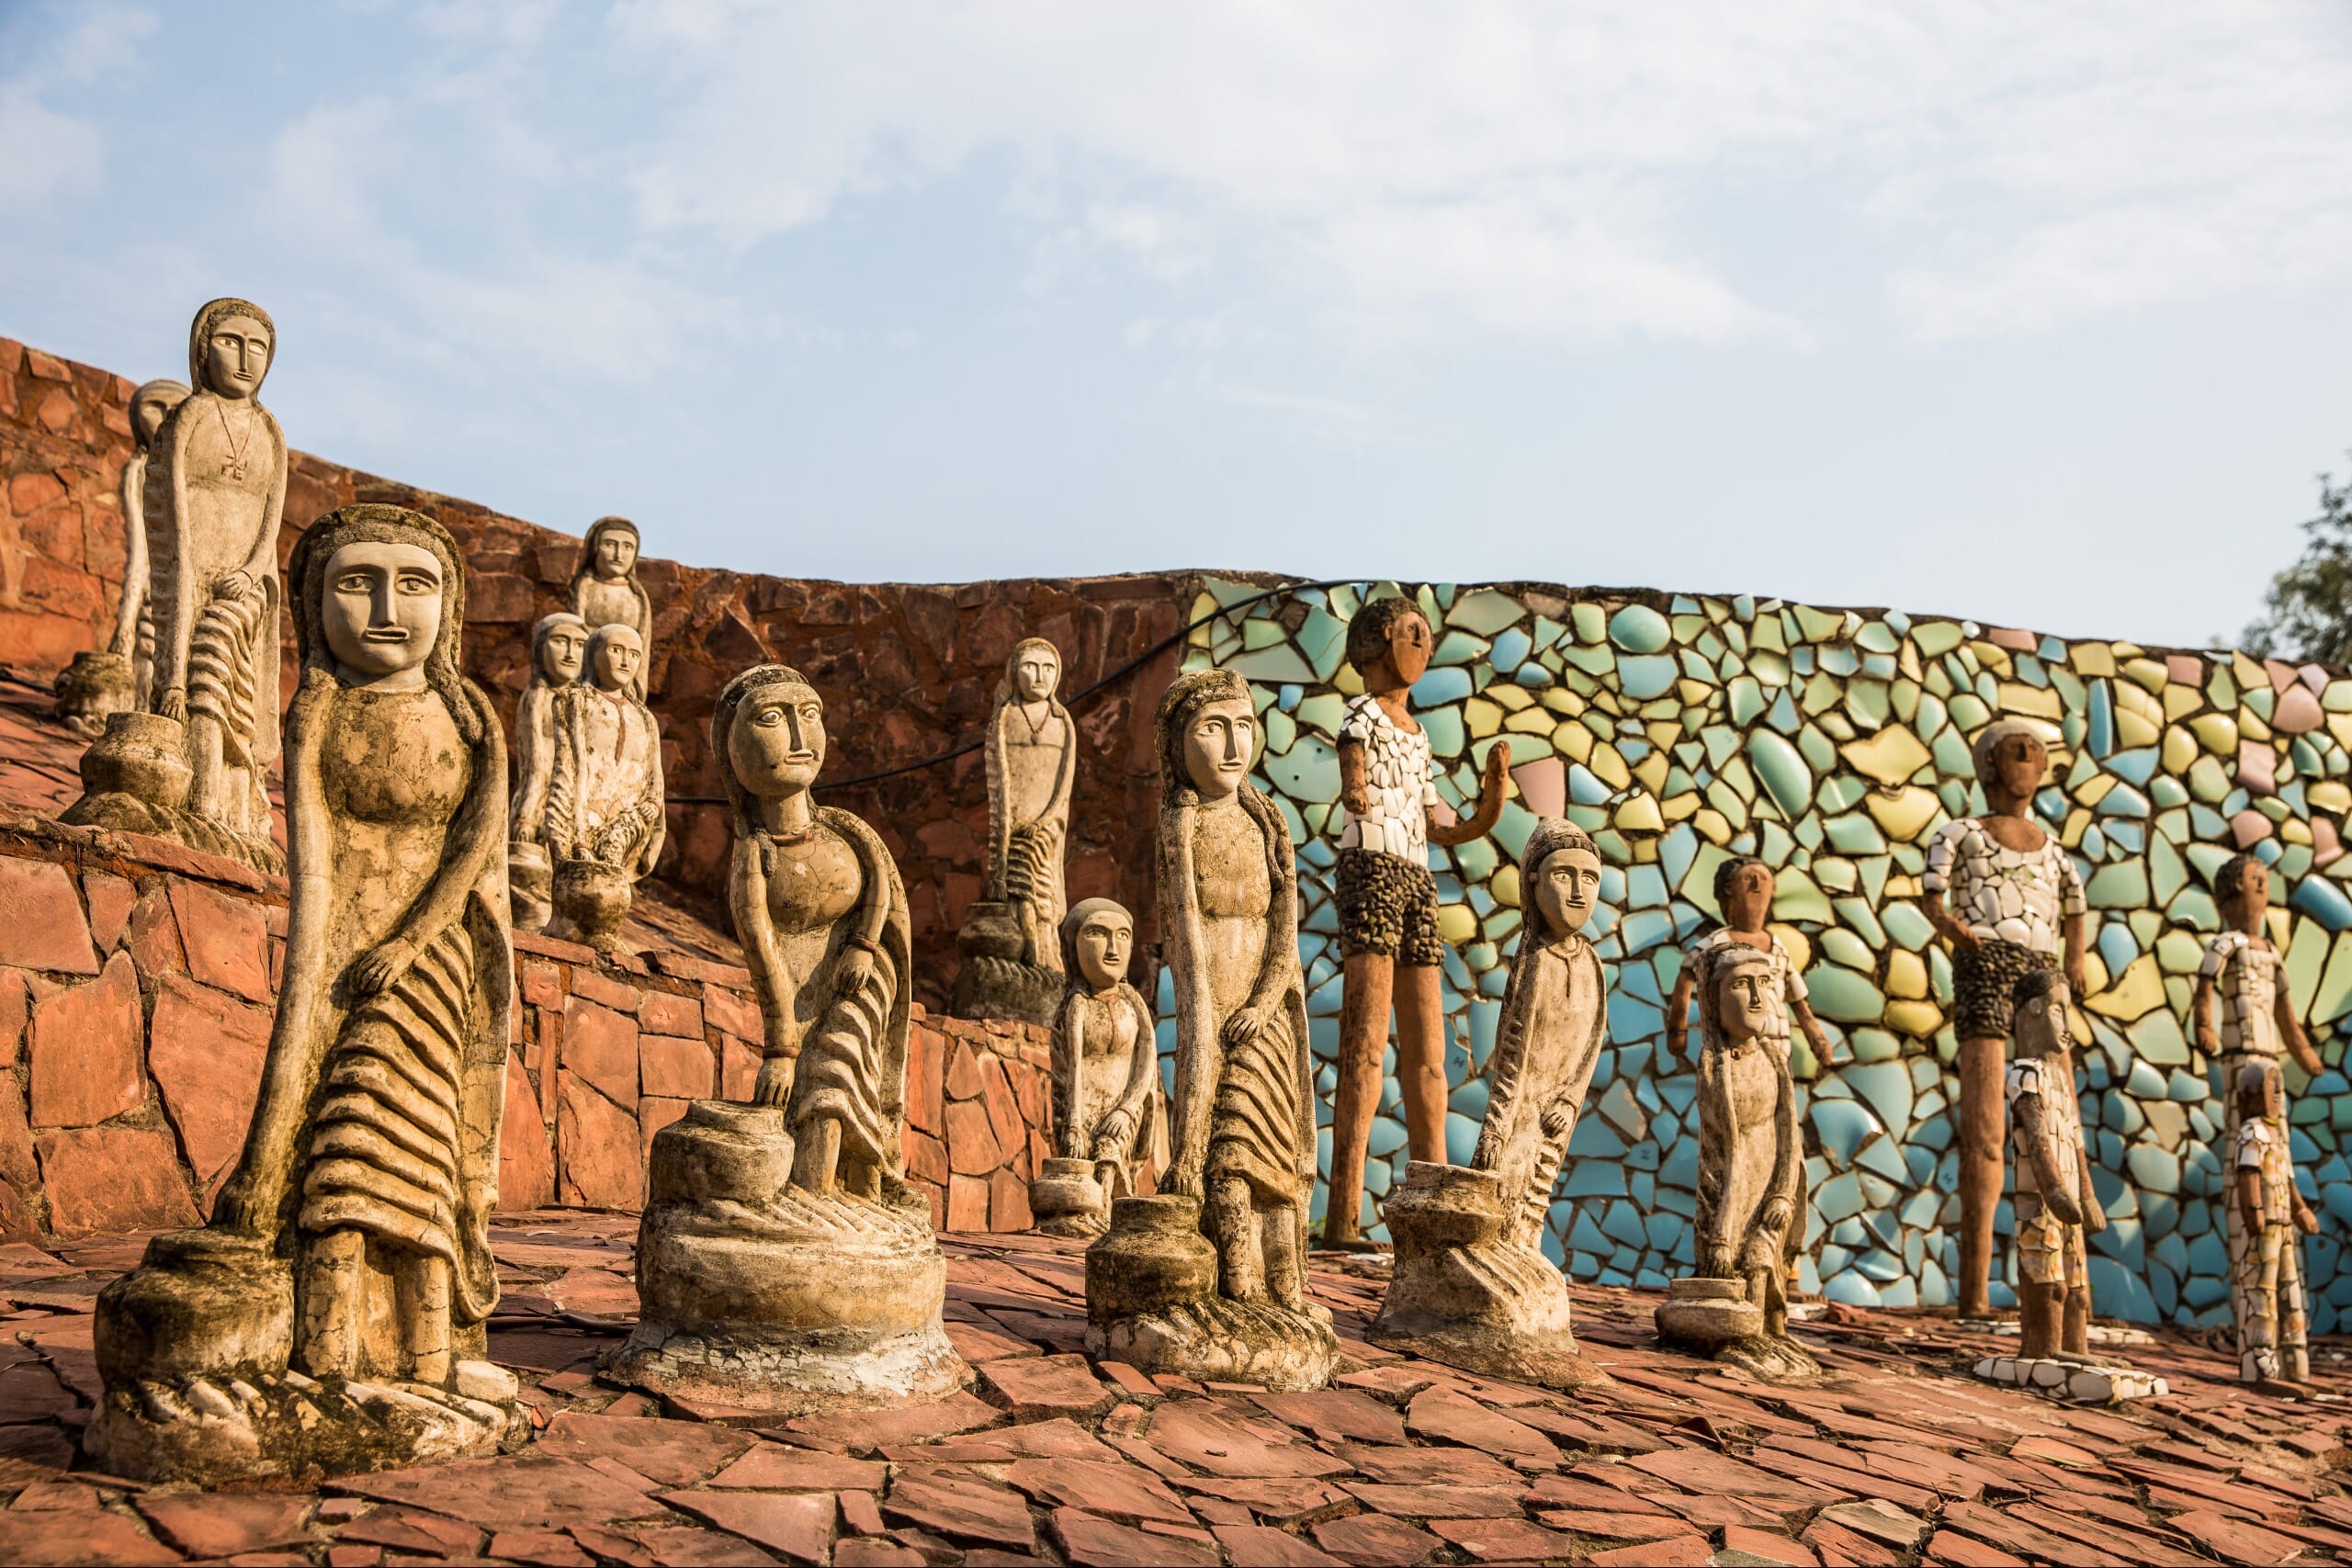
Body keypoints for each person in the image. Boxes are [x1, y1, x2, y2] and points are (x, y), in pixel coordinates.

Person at [1327, 593, 1509, 1247]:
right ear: (1378, 641)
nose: (1424, 646)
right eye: (1412, 632)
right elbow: (1354, 775)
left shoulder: (1419, 734)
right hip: (1372, 867)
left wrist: (1489, 806)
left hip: (1415, 876)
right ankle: (1343, 1213)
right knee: (1365, 1043)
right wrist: (1355, 789)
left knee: (1428, 1054)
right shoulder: (1361, 716)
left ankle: (1434, 1204)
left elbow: (1441, 822)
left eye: (1426, 637)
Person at [1922, 718, 2086, 1319]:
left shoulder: (2053, 847)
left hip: (2042, 971)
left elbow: (2074, 905)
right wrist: (1959, 934)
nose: (2030, 760)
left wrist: (2074, 957)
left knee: (2060, 1117)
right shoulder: (1961, 832)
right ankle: (1975, 1291)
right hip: (1985, 964)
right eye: (2019, 750)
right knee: (1987, 1126)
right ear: (1990, 763)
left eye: (2037, 753)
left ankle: (2065, 1291)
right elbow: (1932, 893)